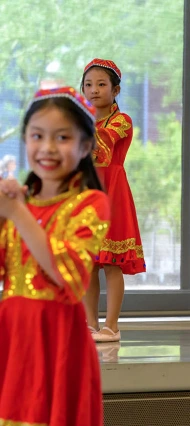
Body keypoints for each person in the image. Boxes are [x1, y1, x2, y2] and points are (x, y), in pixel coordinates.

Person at [0, 86, 109, 425]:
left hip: (56, 338)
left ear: (85, 146)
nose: (47, 147)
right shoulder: (19, 202)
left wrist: (17, 213)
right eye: (37, 136)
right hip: (12, 334)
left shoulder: (91, 203)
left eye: (62, 137)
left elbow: (70, 277)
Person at [81, 58, 146, 342]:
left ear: (115, 90)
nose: (94, 90)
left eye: (101, 84)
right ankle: (89, 324)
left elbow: (103, 142)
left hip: (113, 193)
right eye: (88, 85)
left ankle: (112, 326)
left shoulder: (122, 121)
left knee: (111, 262)